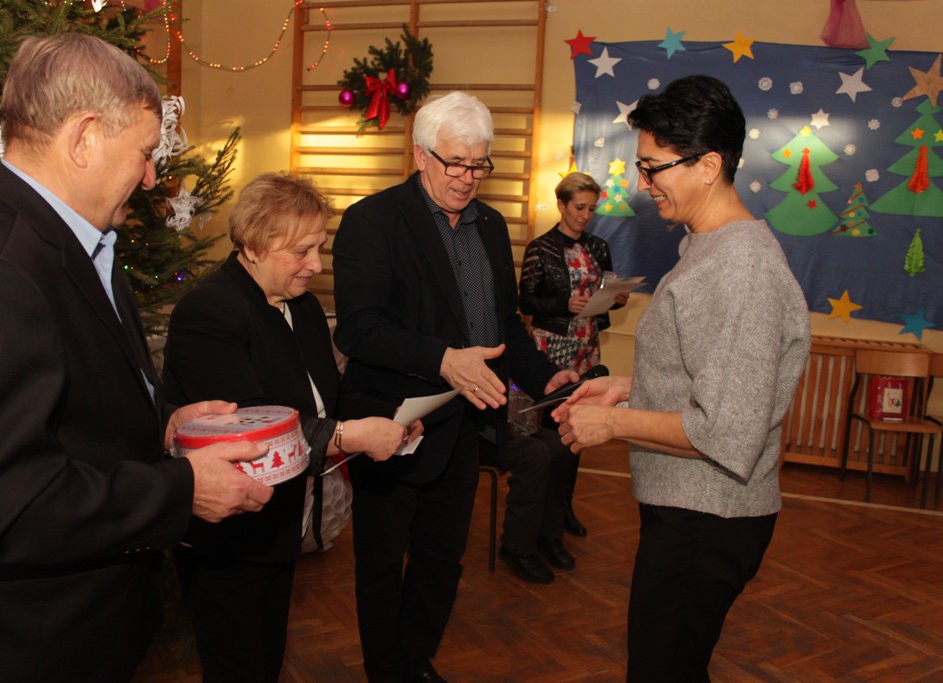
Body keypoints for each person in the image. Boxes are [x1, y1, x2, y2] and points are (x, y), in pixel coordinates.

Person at [0, 33, 275, 683]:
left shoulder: (72, 239)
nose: (149, 177)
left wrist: (157, 424)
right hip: (25, 646)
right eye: (143, 152)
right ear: (84, 137)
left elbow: (62, 404)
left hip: (84, 626)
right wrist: (184, 487)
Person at [552, 75, 811, 682]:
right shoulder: (708, 244)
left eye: (654, 168)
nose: (644, 184)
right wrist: (627, 388)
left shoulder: (739, 267)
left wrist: (614, 422)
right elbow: (709, 376)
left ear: (708, 165)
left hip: (708, 519)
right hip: (691, 506)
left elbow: (726, 430)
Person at [332, 91, 577, 683]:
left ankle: (416, 661)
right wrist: (444, 361)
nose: (469, 178)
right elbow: (361, 329)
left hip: (462, 430)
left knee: (442, 560)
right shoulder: (372, 221)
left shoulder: (490, 227)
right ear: (421, 155)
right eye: (456, 163)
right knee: (383, 563)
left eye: (480, 164)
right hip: (391, 422)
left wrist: (550, 376)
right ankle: (385, 670)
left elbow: (498, 333)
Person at [162, 172, 421, 683]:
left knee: (266, 658)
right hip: (228, 534)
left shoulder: (298, 305)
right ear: (254, 246)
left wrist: (390, 417)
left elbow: (323, 397)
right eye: (300, 251)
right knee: (238, 666)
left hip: (279, 524)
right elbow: (249, 429)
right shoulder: (210, 310)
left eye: (319, 248)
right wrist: (351, 436)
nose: (315, 265)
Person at [520, 172, 629, 538]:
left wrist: (615, 296)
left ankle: (564, 507)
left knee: (579, 428)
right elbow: (525, 301)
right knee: (553, 431)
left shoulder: (598, 246)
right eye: (579, 207)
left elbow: (603, 288)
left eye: (591, 209)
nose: (585, 215)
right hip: (550, 347)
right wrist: (563, 303)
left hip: (585, 345)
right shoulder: (541, 247)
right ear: (562, 205)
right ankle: (543, 510)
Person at [491, 424, 578, 584]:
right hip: (484, 430)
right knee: (534, 454)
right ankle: (517, 547)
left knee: (560, 445)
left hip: (513, 423)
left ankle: (548, 535)